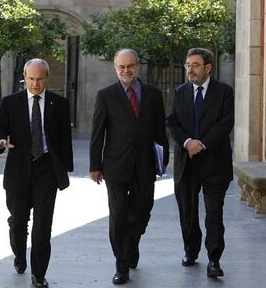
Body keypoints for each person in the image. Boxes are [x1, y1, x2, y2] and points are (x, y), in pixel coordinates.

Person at [89, 49, 169, 285]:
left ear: (137, 66)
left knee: (143, 210)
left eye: (130, 66)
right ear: (115, 68)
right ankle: (121, 264)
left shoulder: (153, 95)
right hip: (115, 166)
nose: (126, 71)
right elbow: (97, 133)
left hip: (145, 165)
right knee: (118, 214)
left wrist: (162, 161)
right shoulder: (106, 95)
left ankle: (131, 244)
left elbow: (159, 131)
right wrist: (95, 165)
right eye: (121, 67)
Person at [0, 58, 73, 288]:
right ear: (24, 78)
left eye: (39, 79)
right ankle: (19, 254)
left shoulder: (60, 104)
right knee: (18, 222)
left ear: (47, 78)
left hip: (46, 168)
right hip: (19, 168)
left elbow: (64, 140)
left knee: (43, 225)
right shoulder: (11, 102)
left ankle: (39, 274)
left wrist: (64, 168)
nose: (35, 84)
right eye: (31, 79)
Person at [166, 48, 234, 278]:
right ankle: (190, 251)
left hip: (215, 162)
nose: (190, 70)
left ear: (208, 67)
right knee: (188, 212)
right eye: (187, 65)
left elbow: (225, 124)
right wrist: (187, 143)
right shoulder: (180, 92)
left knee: (214, 213)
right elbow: (172, 122)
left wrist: (201, 143)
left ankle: (214, 259)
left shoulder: (224, 92)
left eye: (195, 65)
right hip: (187, 162)